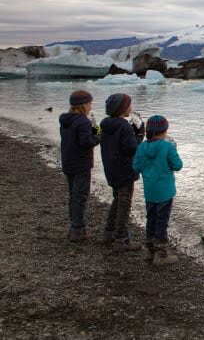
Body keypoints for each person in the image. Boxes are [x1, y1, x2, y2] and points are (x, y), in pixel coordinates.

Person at [132, 115, 183, 266]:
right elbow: (177, 165)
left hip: (150, 191)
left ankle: (149, 251)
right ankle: (161, 254)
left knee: (151, 219)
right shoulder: (167, 147)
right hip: (165, 191)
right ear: (164, 130)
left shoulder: (141, 147)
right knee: (162, 221)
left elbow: (135, 167)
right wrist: (173, 149)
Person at [100, 93, 145, 252]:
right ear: (122, 109)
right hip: (125, 170)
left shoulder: (105, 124)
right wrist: (139, 134)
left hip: (111, 169)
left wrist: (132, 134)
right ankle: (122, 239)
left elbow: (117, 144)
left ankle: (109, 232)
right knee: (124, 202)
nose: (131, 108)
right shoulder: (124, 126)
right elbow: (131, 148)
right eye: (129, 105)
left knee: (118, 199)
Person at [59, 89, 101, 242]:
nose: (91, 106)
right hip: (81, 163)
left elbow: (75, 138)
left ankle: (75, 227)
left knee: (73, 195)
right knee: (80, 196)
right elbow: (86, 142)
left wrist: (94, 130)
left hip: (68, 161)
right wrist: (98, 137)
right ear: (82, 105)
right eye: (89, 103)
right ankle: (78, 228)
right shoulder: (82, 121)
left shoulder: (65, 120)